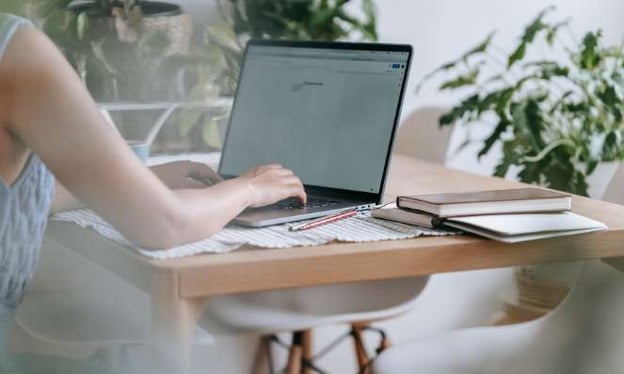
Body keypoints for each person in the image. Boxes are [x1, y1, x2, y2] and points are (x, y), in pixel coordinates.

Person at [0, 12, 306, 372]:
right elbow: (166, 225)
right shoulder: (16, 50)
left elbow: (23, 201)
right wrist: (250, 188)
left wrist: (140, 183)